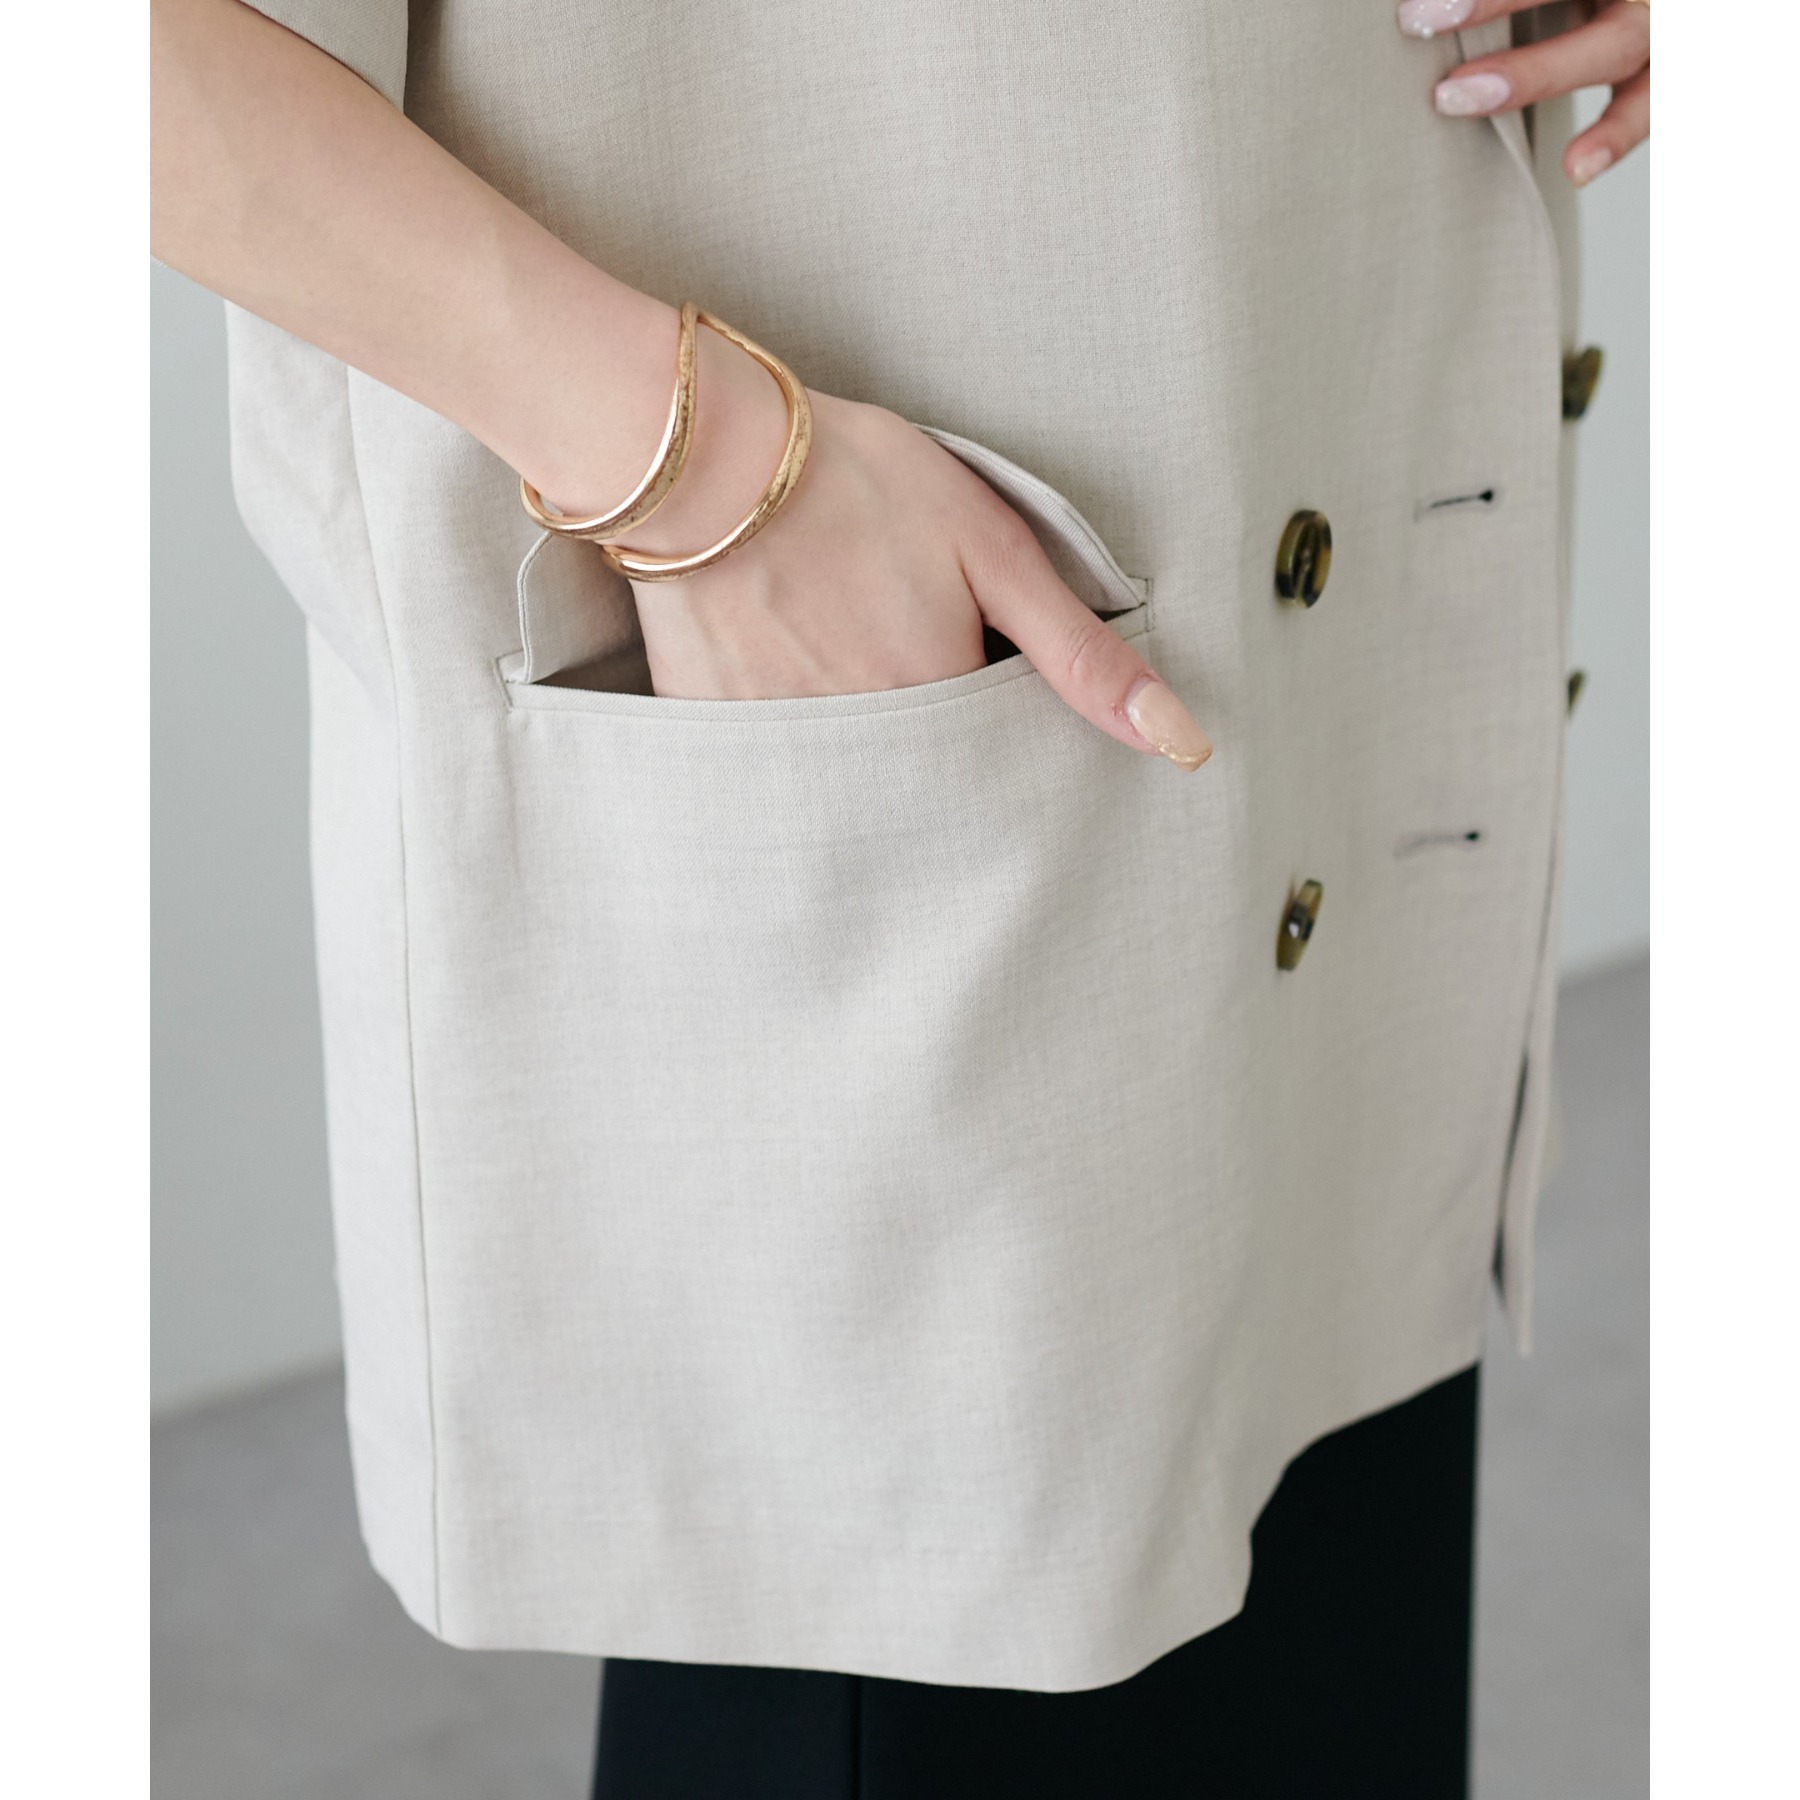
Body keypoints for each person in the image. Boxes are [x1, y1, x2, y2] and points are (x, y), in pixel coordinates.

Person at [151, 1, 1649, 1793]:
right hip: (906, 650)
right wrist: (702, 463)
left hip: (1341, 489)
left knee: (1316, 1590)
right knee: (954, 1621)